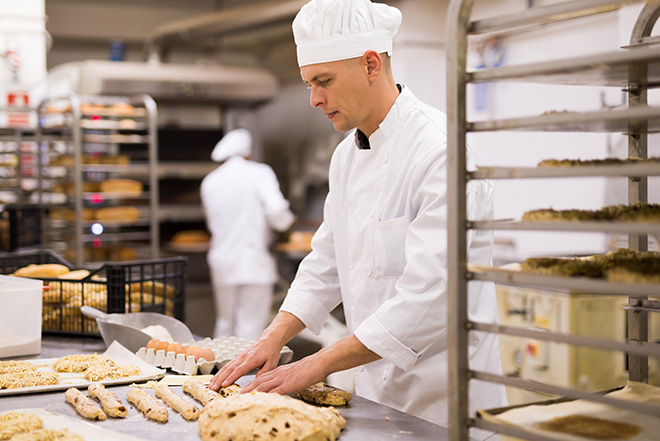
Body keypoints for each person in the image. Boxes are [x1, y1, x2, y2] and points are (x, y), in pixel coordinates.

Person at [210, 0, 507, 438]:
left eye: (323, 81)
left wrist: (315, 365)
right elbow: (327, 259)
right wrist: (273, 336)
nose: (313, 99)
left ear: (371, 64)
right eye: (309, 83)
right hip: (378, 400)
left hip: (445, 403)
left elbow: (428, 300)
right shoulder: (346, 156)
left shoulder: (439, 153)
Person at [201, 128, 295, 340]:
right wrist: (287, 226)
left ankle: (220, 371)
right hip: (253, 262)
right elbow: (277, 211)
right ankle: (247, 373)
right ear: (248, 152)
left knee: (225, 323)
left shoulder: (210, 181)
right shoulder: (260, 173)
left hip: (223, 262)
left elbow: (211, 223)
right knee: (250, 327)